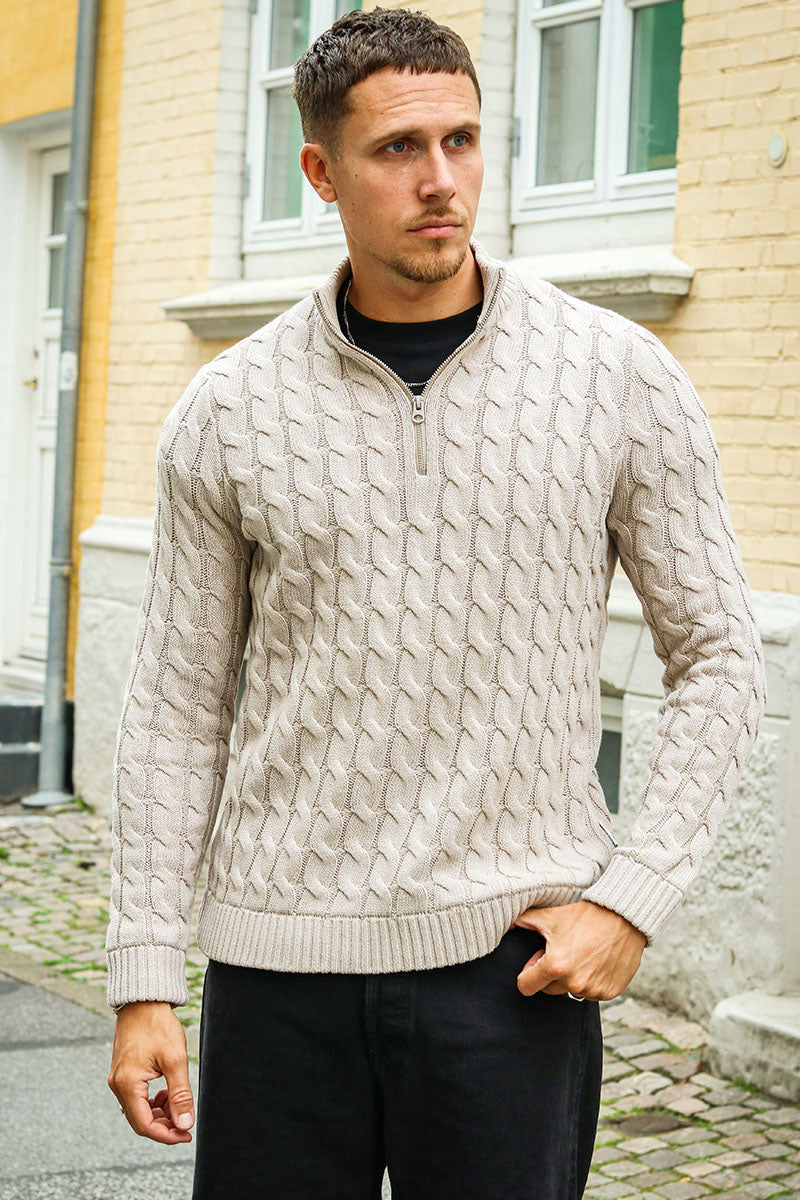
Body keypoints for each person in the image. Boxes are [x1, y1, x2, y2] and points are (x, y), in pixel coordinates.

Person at [105, 8, 767, 1199]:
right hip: (276, 977)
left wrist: (630, 901)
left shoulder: (616, 377)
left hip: (509, 975)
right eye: (397, 149)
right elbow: (175, 707)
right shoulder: (227, 410)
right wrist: (143, 975)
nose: (439, 180)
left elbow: (718, 652)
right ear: (320, 172)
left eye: (460, 140)